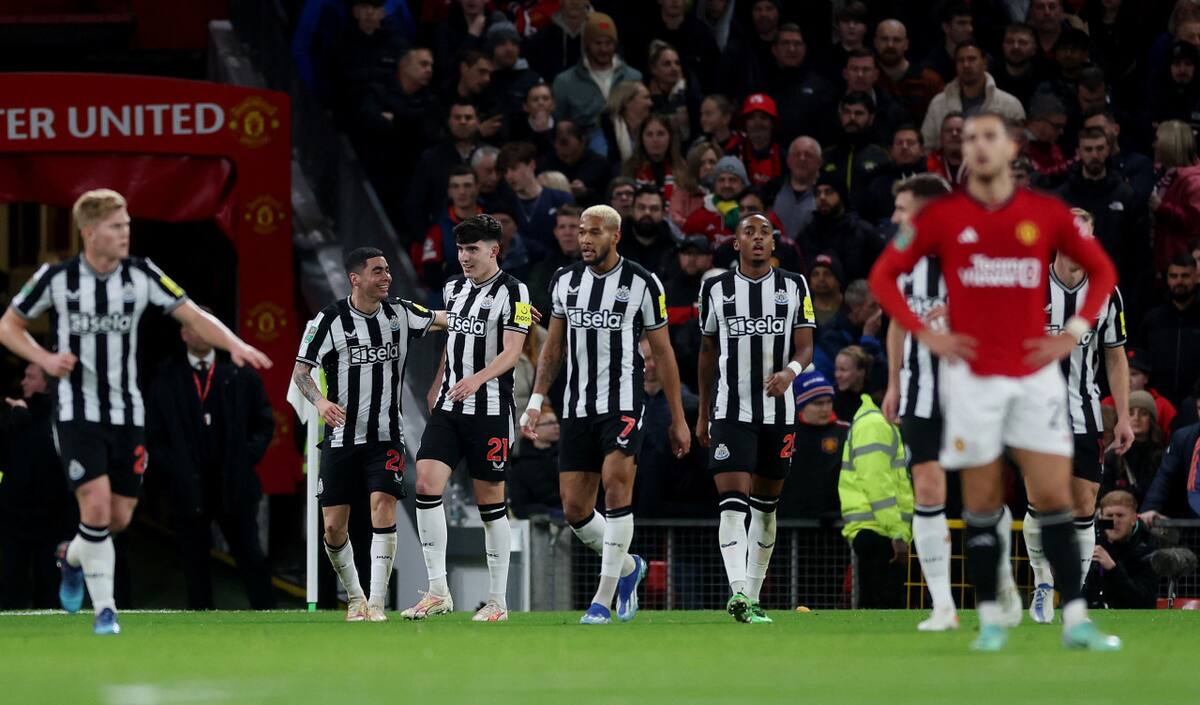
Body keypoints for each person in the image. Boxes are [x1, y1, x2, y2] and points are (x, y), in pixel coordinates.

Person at [868, 111, 1121, 652]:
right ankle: (988, 620)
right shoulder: (941, 217)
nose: (978, 146)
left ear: (1012, 148)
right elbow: (882, 278)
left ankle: (1074, 617)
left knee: (1056, 497)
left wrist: (1072, 330)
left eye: (990, 137)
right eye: (970, 138)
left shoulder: (1047, 213)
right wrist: (924, 334)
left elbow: (1102, 271)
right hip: (973, 382)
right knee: (981, 501)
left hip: (1035, 380)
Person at [0, 189, 272, 634]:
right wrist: (46, 360)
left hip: (127, 415)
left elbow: (192, 315)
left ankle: (70, 555)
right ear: (90, 232)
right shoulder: (57, 278)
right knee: (96, 504)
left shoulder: (141, 274)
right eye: (115, 226)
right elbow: (8, 326)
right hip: (76, 411)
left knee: (119, 517)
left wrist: (235, 344)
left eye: (127, 224)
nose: (126, 233)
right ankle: (105, 611)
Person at [520, 204, 691, 625]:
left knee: (616, 488)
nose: (584, 240)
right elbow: (553, 348)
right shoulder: (564, 281)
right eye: (581, 232)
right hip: (578, 408)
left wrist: (678, 416)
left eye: (594, 233)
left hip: (623, 405)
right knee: (575, 508)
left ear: (615, 236)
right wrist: (536, 398)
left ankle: (602, 598)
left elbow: (664, 351)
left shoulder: (643, 283)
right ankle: (630, 568)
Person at [292, 247, 446, 622]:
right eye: (377, 271)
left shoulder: (401, 313)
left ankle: (376, 603)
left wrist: (509, 314)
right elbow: (301, 372)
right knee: (333, 526)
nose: (386, 277)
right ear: (355, 278)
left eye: (388, 270)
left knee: (383, 507)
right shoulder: (328, 321)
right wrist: (321, 402)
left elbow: (450, 319)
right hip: (342, 439)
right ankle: (356, 597)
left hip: (386, 436)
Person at [404, 215, 533, 623]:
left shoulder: (516, 292)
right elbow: (454, 336)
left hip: (491, 411)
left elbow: (513, 350)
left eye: (472, 249)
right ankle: (438, 591)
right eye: (461, 249)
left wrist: (477, 378)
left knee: (490, 503)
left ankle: (497, 601)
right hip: (449, 405)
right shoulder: (453, 288)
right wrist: (440, 380)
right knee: (425, 483)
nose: (464, 257)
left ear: (494, 251)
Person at [696, 210, 816, 623]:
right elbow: (708, 352)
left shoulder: (794, 286)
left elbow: (806, 348)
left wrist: (790, 373)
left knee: (766, 508)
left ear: (774, 243)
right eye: (750, 232)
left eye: (766, 232)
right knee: (732, 505)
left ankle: (754, 593)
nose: (759, 238)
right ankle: (739, 595)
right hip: (731, 410)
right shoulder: (715, 289)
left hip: (779, 412)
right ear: (737, 243)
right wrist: (702, 413)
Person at [1025, 212, 1135, 625]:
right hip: (1035, 415)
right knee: (1041, 503)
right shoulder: (1031, 287)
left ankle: (1073, 593)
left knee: (1084, 504)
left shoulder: (1107, 293)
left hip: (1085, 413)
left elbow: (1115, 355)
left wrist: (1122, 416)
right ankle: (1042, 583)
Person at [880, 173, 978, 631]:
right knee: (928, 489)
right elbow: (897, 324)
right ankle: (943, 605)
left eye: (903, 208)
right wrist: (895, 383)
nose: (896, 217)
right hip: (920, 391)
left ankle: (1001, 594)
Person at [146, 311, 277, 610]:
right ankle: (200, 621)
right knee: (194, 563)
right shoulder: (166, 380)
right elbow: (154, 436)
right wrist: (175, 468)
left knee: (251, 556)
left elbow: (264, 421)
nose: (203, 334)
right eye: (196, 327)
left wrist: (246, 457)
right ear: (184, 335)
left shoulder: (240, 375)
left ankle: (269, 614)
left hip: (234, 483)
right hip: (188, 487)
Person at [0, 363, 71, 609]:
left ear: (46, 384)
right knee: (10, 585)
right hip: (14, 519)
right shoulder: (14, 414)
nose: (23, 382)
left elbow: (55, 456)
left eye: (30, 377)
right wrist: (15, 420)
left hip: (52, 519)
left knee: (49, 588)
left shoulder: (61, 416)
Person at [839, 385, 912, 609]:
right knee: (885, 608)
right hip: (879, 530)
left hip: (875, 529)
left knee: (874, 608)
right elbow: (878, 484)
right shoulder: (876, 425)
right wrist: (898, 533)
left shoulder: (873, 423)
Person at [920, 41, 1026, 150]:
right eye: (961, 60)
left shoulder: (1010, 104)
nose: (966, 65)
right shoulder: (938, 103)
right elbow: (927, 146)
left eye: (972, 59)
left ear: (984, 63)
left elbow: (1020, 147)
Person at [551, 12, 643, 134]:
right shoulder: (564, 82)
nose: (603, 49)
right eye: (598, 43)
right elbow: (557, 126)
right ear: (586, 45)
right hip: (585, 149)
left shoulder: (633, 77)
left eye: (608, 43)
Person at [797, 173, 884, 285]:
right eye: (818, 193)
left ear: (841, 195)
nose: (822, 197)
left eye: (829, 192)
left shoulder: (863, 232)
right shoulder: (807, 234)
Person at [1138, 253, 1200, 406]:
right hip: (1157, 403)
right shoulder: (1153, 319)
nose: (1179, 281)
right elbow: (1140, 360)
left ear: (1196, 277)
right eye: (1174, 276)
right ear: (1167, 279)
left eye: (1185, 276)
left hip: (1195, 404)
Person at [786, 370, 848, 521]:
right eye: (818, 403)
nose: (825, 408)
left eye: (829, 402)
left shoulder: (846, 432)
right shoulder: (786, 433)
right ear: (800, 405)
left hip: (833, 523)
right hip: (788, 520)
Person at [1086, 490, 1160, 609]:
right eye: (1109, 516)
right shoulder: (1093, 543)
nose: (1114, 522)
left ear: (1134, 519)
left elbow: (1143, 602)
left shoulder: (1147, 549)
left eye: (1120, 515)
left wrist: (1113, 569)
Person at [416, 164, 484, 295]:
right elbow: (432, 278)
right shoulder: (437, 230)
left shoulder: (494, 220)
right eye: (455, 186)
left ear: (477, 188)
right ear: (449, 191)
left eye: (467, 185)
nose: (462, 192)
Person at [498, 140, 574, 253]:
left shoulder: (560, 198)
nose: (509, 176)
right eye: (505, 171)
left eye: (514, 168)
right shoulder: (504, 205)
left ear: (532, 165)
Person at [820, 91, 890, 208]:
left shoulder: (881, 156)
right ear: (840, 115)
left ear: (871, 118)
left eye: (859, 113)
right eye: (847, 112)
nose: (852, 118)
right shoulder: (826, 156)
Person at [1100, 391, 1168, 507]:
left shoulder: (1164, 457)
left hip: (1152, 520)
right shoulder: (1112, 457)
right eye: (1130, 413)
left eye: (1143, 413)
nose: (1136, 418)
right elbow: (1102, 501)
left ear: (1151, 419)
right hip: (1118, 521)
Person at [874, 19, 945, 126]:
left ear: (906, 44)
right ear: (875, 42)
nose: (890, 45)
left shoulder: (930, 80)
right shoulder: (866, 77)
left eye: (897, 40)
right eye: (884, 39)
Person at [859, 126, 927, 227]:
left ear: (922, 150)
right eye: (899, 143)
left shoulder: (933, 179)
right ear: (891, 151)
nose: (904, 147)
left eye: (910, 143)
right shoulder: (877, 182)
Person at [526, 205, 582, 318]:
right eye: (562, 227)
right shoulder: (543, 267)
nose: (567, 232)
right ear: (556, 232)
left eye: (573, 227)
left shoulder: (598, 266)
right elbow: (530, 303)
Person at [541, 119, 612, 207]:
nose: (563, 142)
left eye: (566, 143)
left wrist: (585, 192)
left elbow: (608, 197)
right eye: (560, 141)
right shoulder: (546, 163)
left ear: (582, 141)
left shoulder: (599, 164)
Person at [510, 404, 562, 519]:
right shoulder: (521, 467)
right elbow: (520, 506)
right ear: (532, 428)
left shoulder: (566, 455)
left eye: (556, 422)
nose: (556, 426)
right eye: (549, 423)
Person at [683, 155, 750, 243]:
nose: (727, 185)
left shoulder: (752, 214)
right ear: (714, 184)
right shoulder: (698, 218)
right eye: (721, 180)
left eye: (733, 180)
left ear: (743, 185)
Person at [623, 114, 686, 201]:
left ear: (670, 137)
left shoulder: (684, 170)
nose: (655, 139)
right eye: (649, 134)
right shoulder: (629, 170)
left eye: (660, 134)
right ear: (642, 139)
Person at [618, 186, 679, 272]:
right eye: (641, 207)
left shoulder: (673, 248)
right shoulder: (615, 245)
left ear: (664, 213)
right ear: (632, 210)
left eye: (654, 209)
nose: (647, 213)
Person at [773, 136, 821, 242]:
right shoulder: (772, 191)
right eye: (797, 154)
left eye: (808, 155)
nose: (802, 158)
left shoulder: (824, 195)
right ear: (788, 160)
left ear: (819, 162)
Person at [596, 80, 654, 167]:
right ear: (627, 102)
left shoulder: (653, 132)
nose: (651, 103)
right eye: (646, 98)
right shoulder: (603, 139)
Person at [670, 140, 720, 229]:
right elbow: (675, 217)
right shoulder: (682, 192)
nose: (708, 167)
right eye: (702, 163)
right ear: (695, 167)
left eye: (712, 162)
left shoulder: (727, 192)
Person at [992, 23, 1043, 110]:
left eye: (1022, 43)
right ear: (1003, 46)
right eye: (1010, 42)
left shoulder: (1043, 79)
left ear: (1034, 49)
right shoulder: (990, 79)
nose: (1015, 47)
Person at [923, 1, 975, 83]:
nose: (970, 29)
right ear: (946, 27)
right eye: (962, 23)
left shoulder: (982, 59)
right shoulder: (933, 65)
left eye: (970, 23)